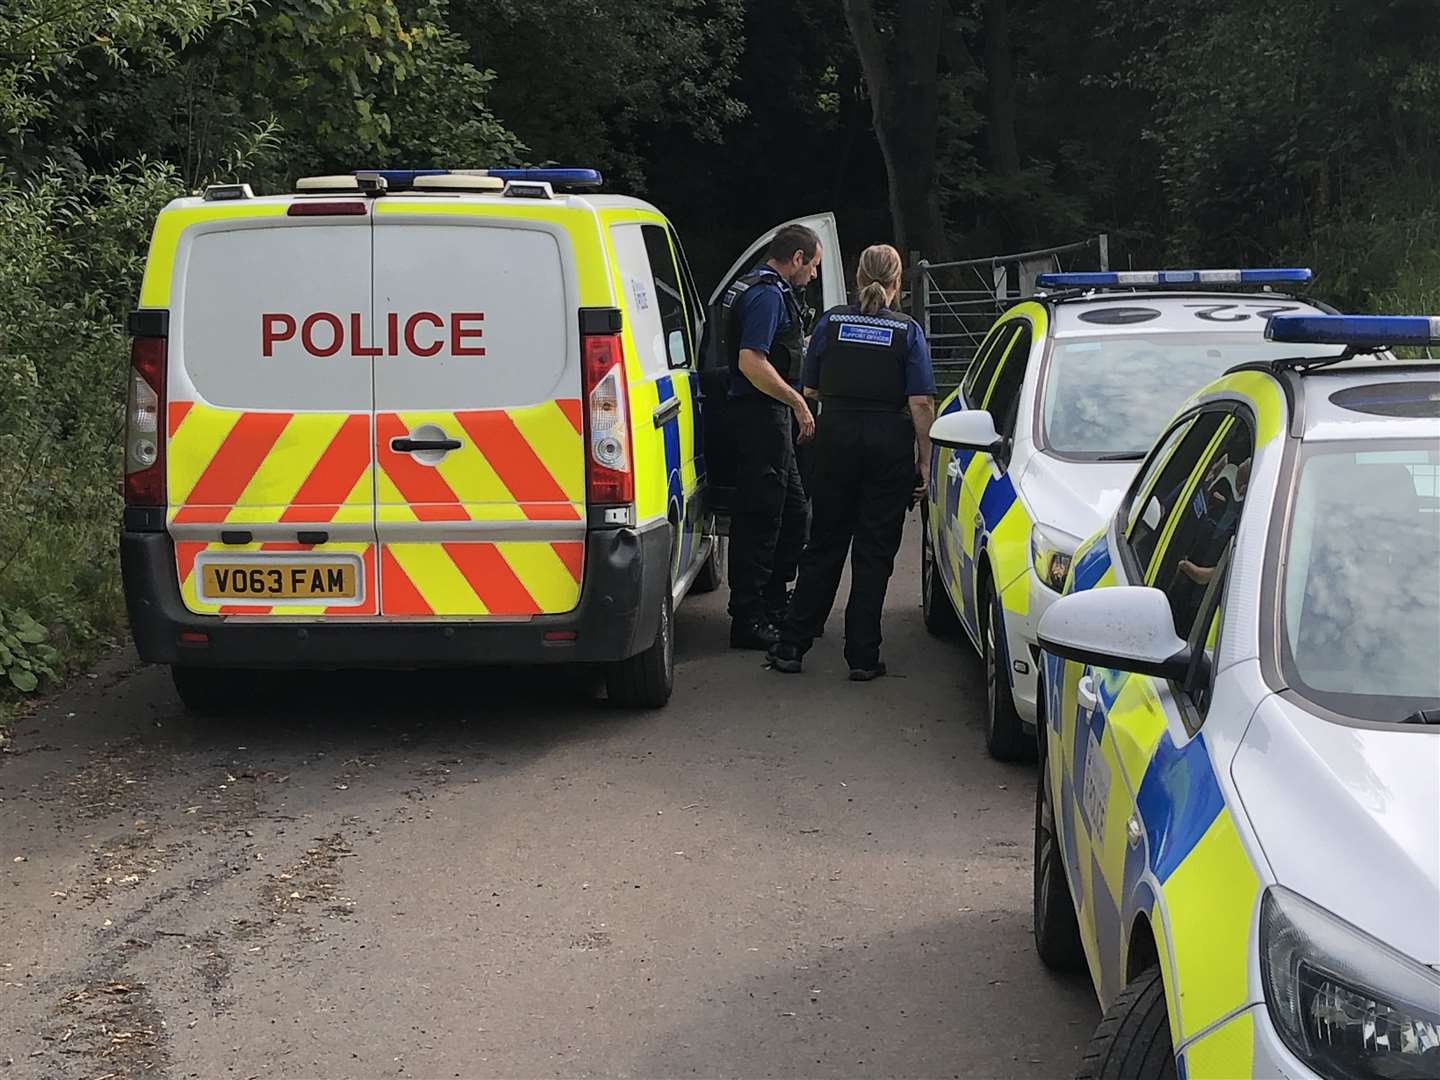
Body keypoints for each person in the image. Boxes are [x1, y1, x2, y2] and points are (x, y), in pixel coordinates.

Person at [767, 244, 936, 680]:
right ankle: (862, 655)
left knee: (824, 544)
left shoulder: (831, 322)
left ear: (858, 278)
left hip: (835, 438)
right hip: (887, 445)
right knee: (874, 552)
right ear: (897, 284)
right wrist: (925, 461)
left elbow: (812, 388)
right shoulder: (908, 331)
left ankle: (792, 645)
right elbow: (920, 402)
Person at [724, 224, 823, 649]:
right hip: (760, 415)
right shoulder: (766, 294)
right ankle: (748, 618)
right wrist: (797, 401)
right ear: (797, 259)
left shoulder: (763, 289)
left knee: (794, 512)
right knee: (761, 517)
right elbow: (751, 361)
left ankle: (773, 603)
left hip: (769, 413)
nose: (814, 276)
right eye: (814, 266)